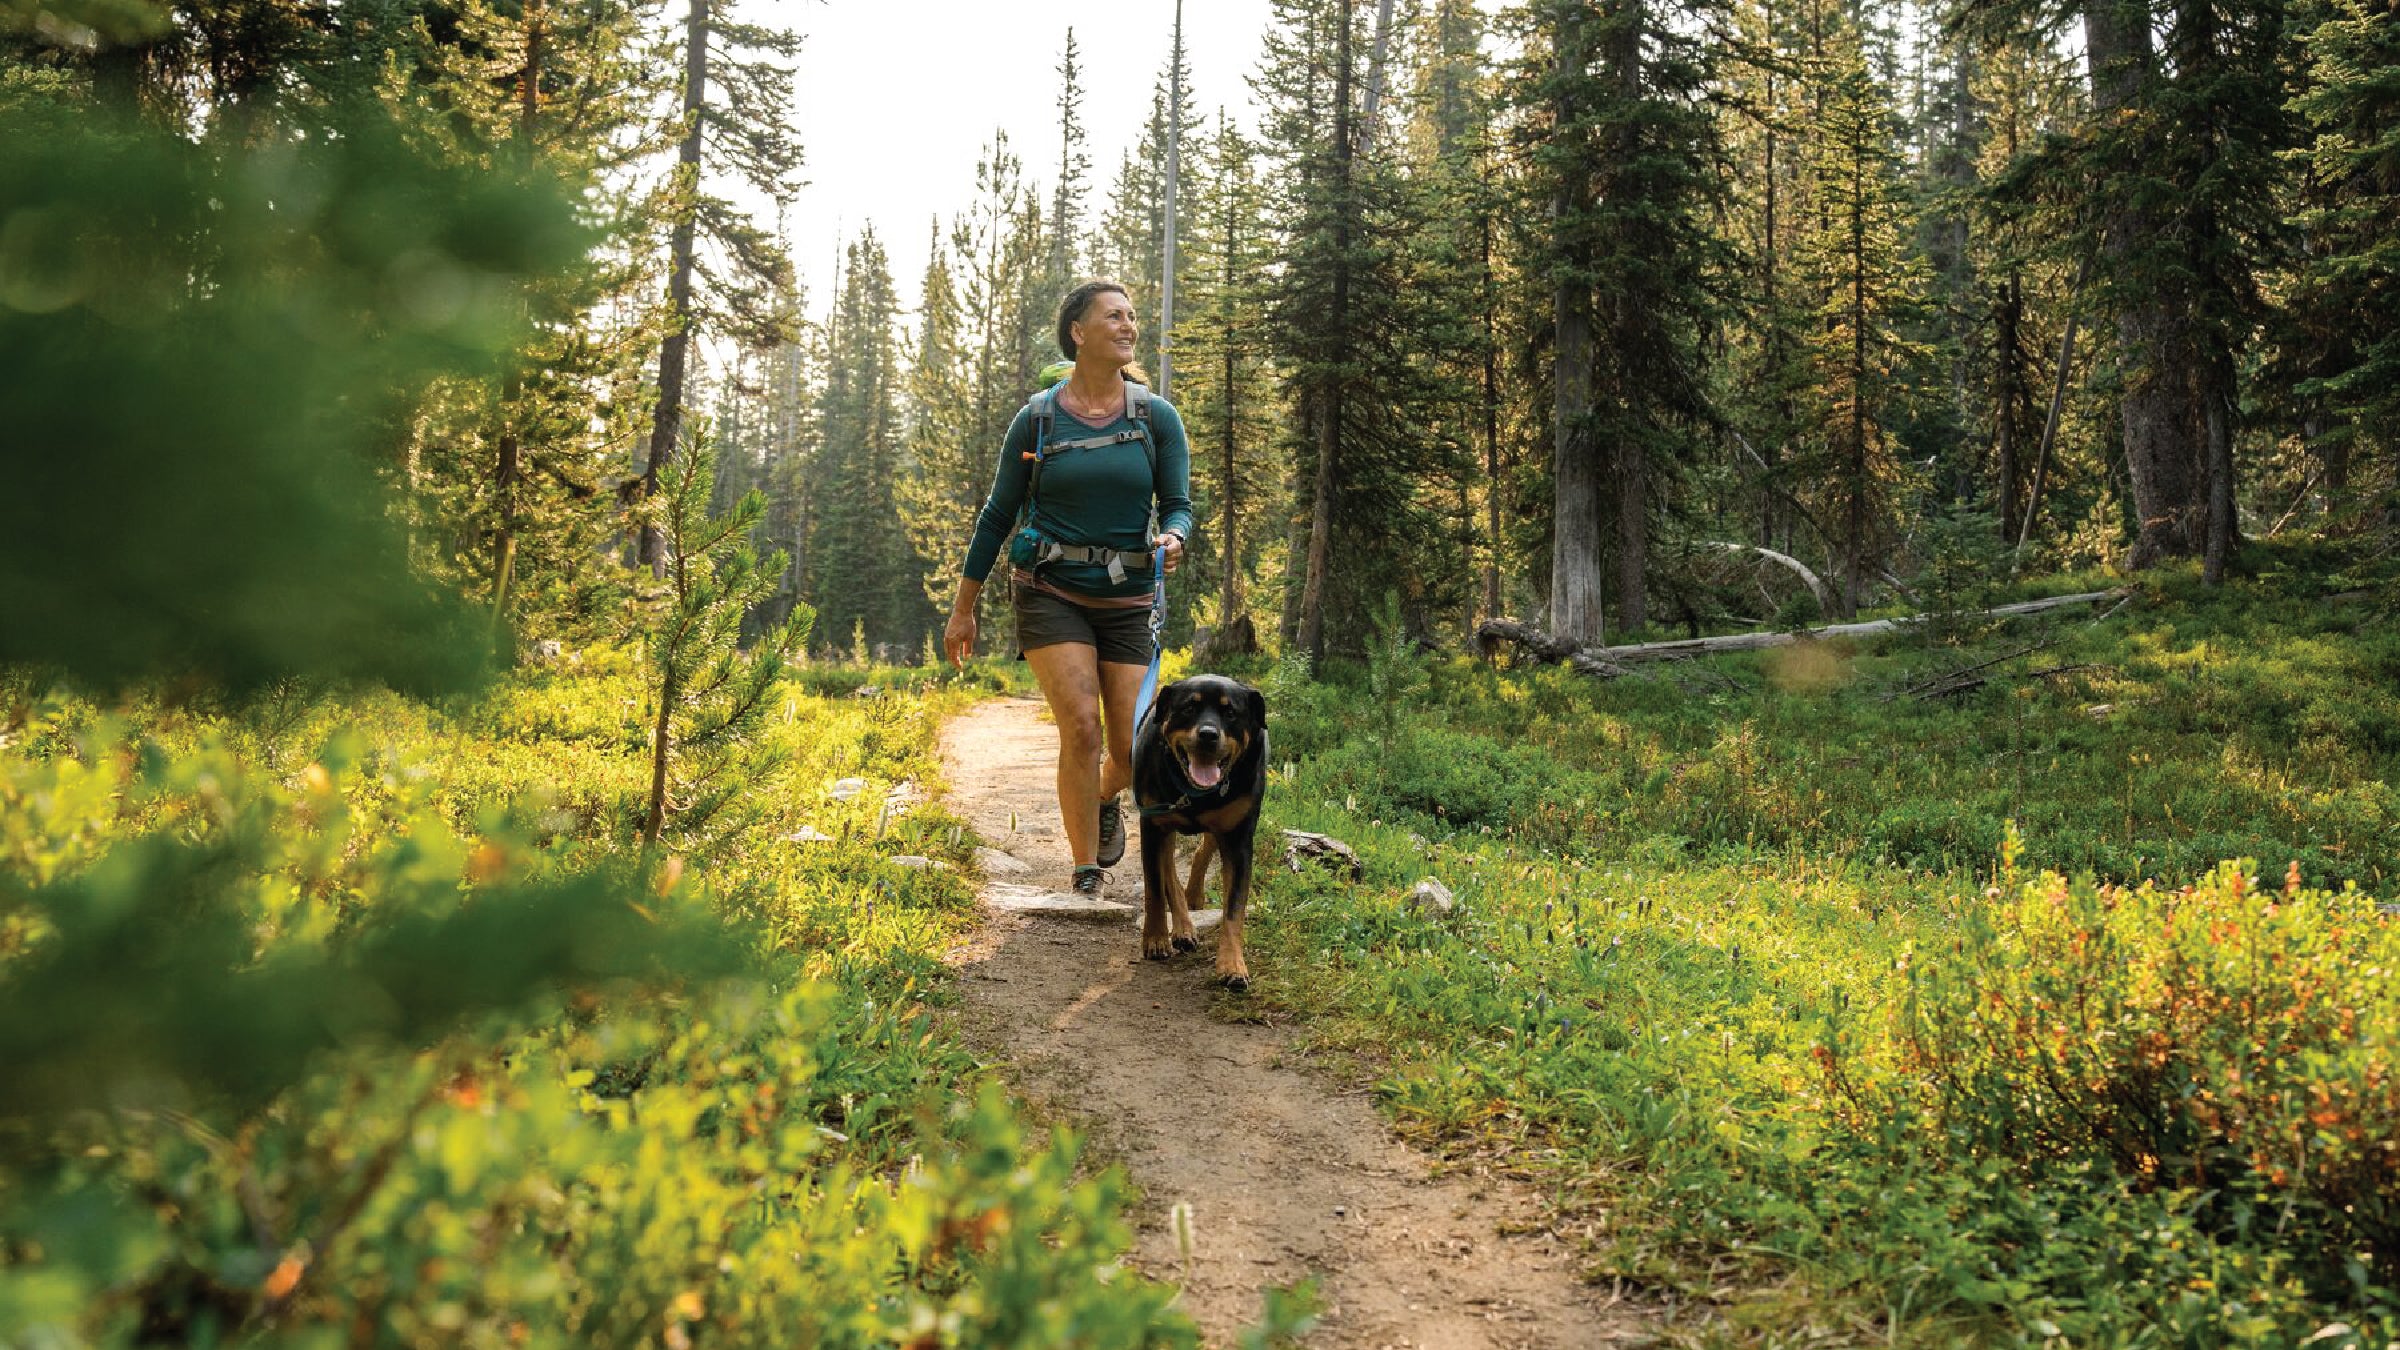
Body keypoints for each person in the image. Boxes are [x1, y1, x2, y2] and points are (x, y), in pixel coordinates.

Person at [944, 280, 1191, 898]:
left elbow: (1180, 505)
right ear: (1078, 333)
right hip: (1051, 592)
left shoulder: (1155, 417)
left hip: (1132, 599)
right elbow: (997, 518)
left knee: (1133, 750)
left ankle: (1106, 795)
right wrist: (963, 608)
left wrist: (1176, 537)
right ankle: (1085, 869)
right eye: (1114, 316)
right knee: (1080, 726)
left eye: (1132, 316)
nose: (1129, 325)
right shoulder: (1037, 418)